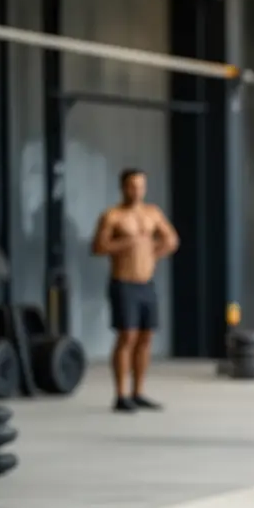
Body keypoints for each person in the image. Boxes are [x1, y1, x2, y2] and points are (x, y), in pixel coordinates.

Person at [91, 168, 180, 412]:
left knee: (146, 337)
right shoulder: (113, 216)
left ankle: (138, 391)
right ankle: (120, 395)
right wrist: (127, 243)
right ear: (123, 187)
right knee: (127, 336)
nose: (137, 190)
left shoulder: (152, 213)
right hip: (123, 282)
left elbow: (172, 239)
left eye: (140, 185)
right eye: (132, 186)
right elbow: (98, 246)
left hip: (146, 283)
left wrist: (154, 252)